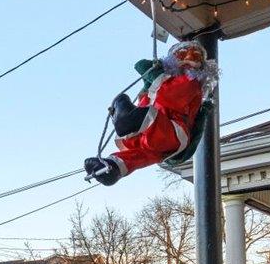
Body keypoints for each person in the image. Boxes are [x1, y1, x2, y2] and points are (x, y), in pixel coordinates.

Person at [85, 40, 218, 186]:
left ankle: (130, 121)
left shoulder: (192, 82)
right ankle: (113, 168)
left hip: (172, 132)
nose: (189, 56)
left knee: (147, 120)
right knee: (141, 153)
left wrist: (153, 75)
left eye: (196, 55)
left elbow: (169, 94)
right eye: (182, 53)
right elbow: (150, 98)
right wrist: (147, 84)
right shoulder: (173, 81)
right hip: (155, 138)